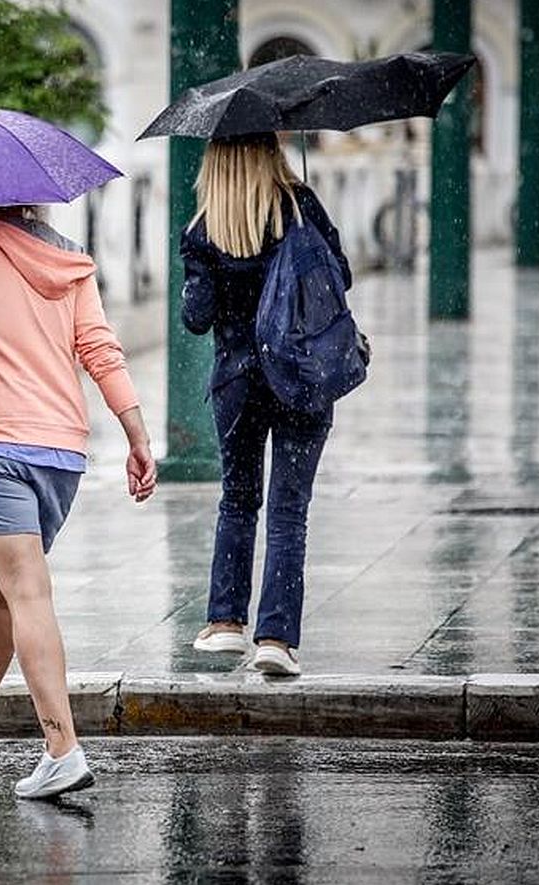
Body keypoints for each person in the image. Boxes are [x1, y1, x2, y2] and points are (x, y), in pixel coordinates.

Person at [0, 206, 156, 800]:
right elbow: (100, 351)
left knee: (26, 591)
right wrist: (138, 436)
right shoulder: (70, 259)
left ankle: (62, 749)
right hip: (62, 454)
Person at [180, 133, 352, 676]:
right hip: (301, 377)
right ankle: (277, 637)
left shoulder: (204, 229)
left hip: (237, 382)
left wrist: (204, 278)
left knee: (238, 499)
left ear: (216, 163)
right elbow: (341, 278)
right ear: (271, 152)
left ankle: (226, 622)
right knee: (288, 510)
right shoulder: (300, 207)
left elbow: (196, 316)